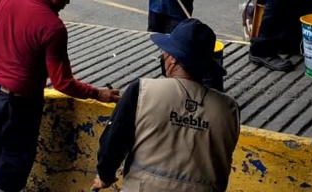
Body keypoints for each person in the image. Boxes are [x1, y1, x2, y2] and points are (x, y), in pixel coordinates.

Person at [0, 0, 119, 192]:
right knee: (16, 156)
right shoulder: (53, 27)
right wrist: (98, 93)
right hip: (20, 105)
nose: (67, 3)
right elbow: (63, 82)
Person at [93, 19, 240, 191]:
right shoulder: (229, 109)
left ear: (172, 59)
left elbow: (113, 142)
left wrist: (105, 176)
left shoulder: (141, 91)